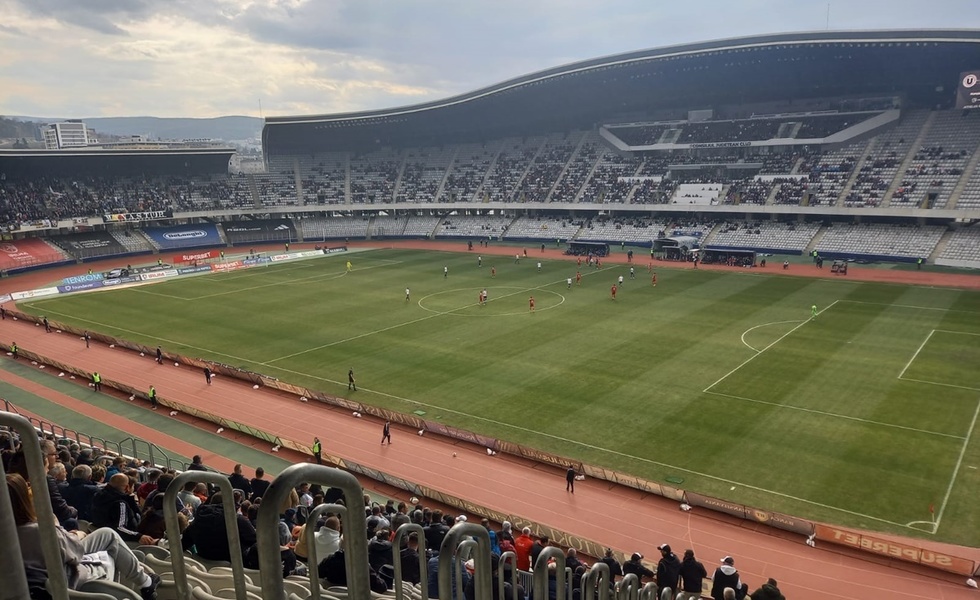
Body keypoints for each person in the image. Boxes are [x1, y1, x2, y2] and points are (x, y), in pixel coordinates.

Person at [8, 473, 161, 600]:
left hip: (39, 575)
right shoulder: (41, 530)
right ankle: (145, 584)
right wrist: (61, 529)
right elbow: (74, 554)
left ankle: (145, 582)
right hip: (63, 580)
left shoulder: (10, 531)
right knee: (110, 555)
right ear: (23, 499)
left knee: (107, 534)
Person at [91, 473, 142, 542]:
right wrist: (139, 536)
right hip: (122, 541)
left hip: (99, 534)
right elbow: (120, 528)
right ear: (127, 487)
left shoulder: (98, 495)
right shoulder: (120, 503)